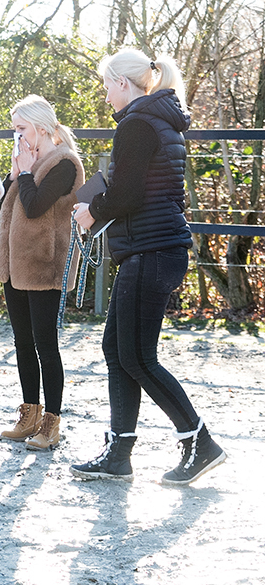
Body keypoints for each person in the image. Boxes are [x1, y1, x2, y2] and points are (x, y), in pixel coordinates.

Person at [70, 48, 226, 485]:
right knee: (117, 351)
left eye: (106, 86)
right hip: (156, 248)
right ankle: (119, 453)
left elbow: (127, 196)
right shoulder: (163, 123)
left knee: (137, 355)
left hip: (150, 250)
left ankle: (199, 441)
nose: (105, 96)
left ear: (123, 83)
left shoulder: (137, 125)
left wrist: (91, 210)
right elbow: (161, 194)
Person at [0, 95, 84, 450]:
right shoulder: (26, 164)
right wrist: (15, 174)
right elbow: (1, 204)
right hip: (15, 266)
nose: (16, 136)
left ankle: (52, 422)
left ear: (40, 128)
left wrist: (26, 173)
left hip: (45, 266)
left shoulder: (64, 164)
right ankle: (29, 414)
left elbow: (34, 208)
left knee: (46, 344)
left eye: (20, 128)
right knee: (22, 342)